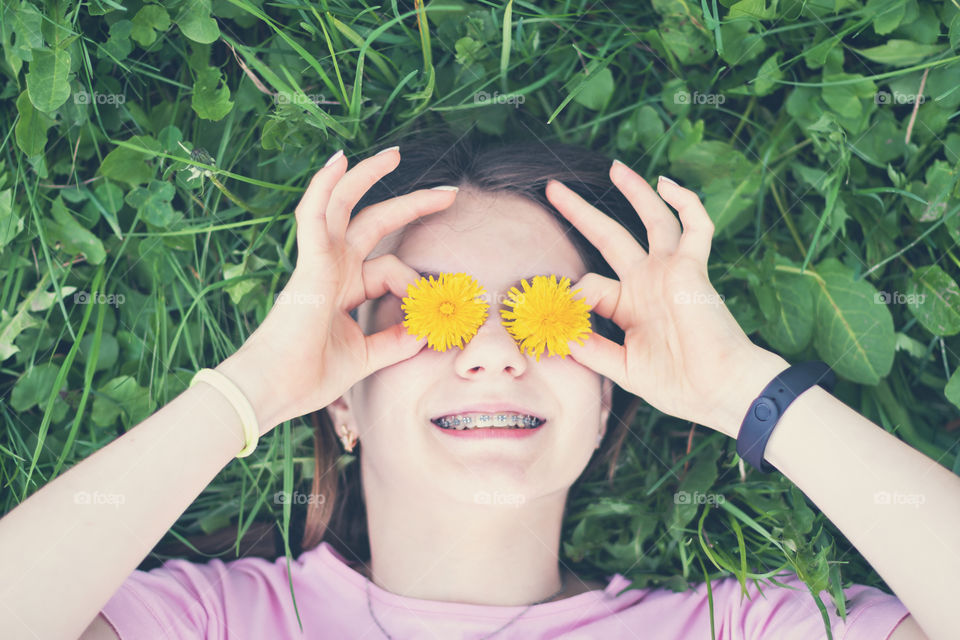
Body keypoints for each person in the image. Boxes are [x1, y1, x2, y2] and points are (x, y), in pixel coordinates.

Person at [0, 130, 949, 640]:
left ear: (611, 389)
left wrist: (746, 389)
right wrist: (249, 390)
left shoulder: (731, 629)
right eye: (428, 312)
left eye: (546, 311)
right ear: (338, 393)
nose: (493, 352)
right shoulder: (217, 624)